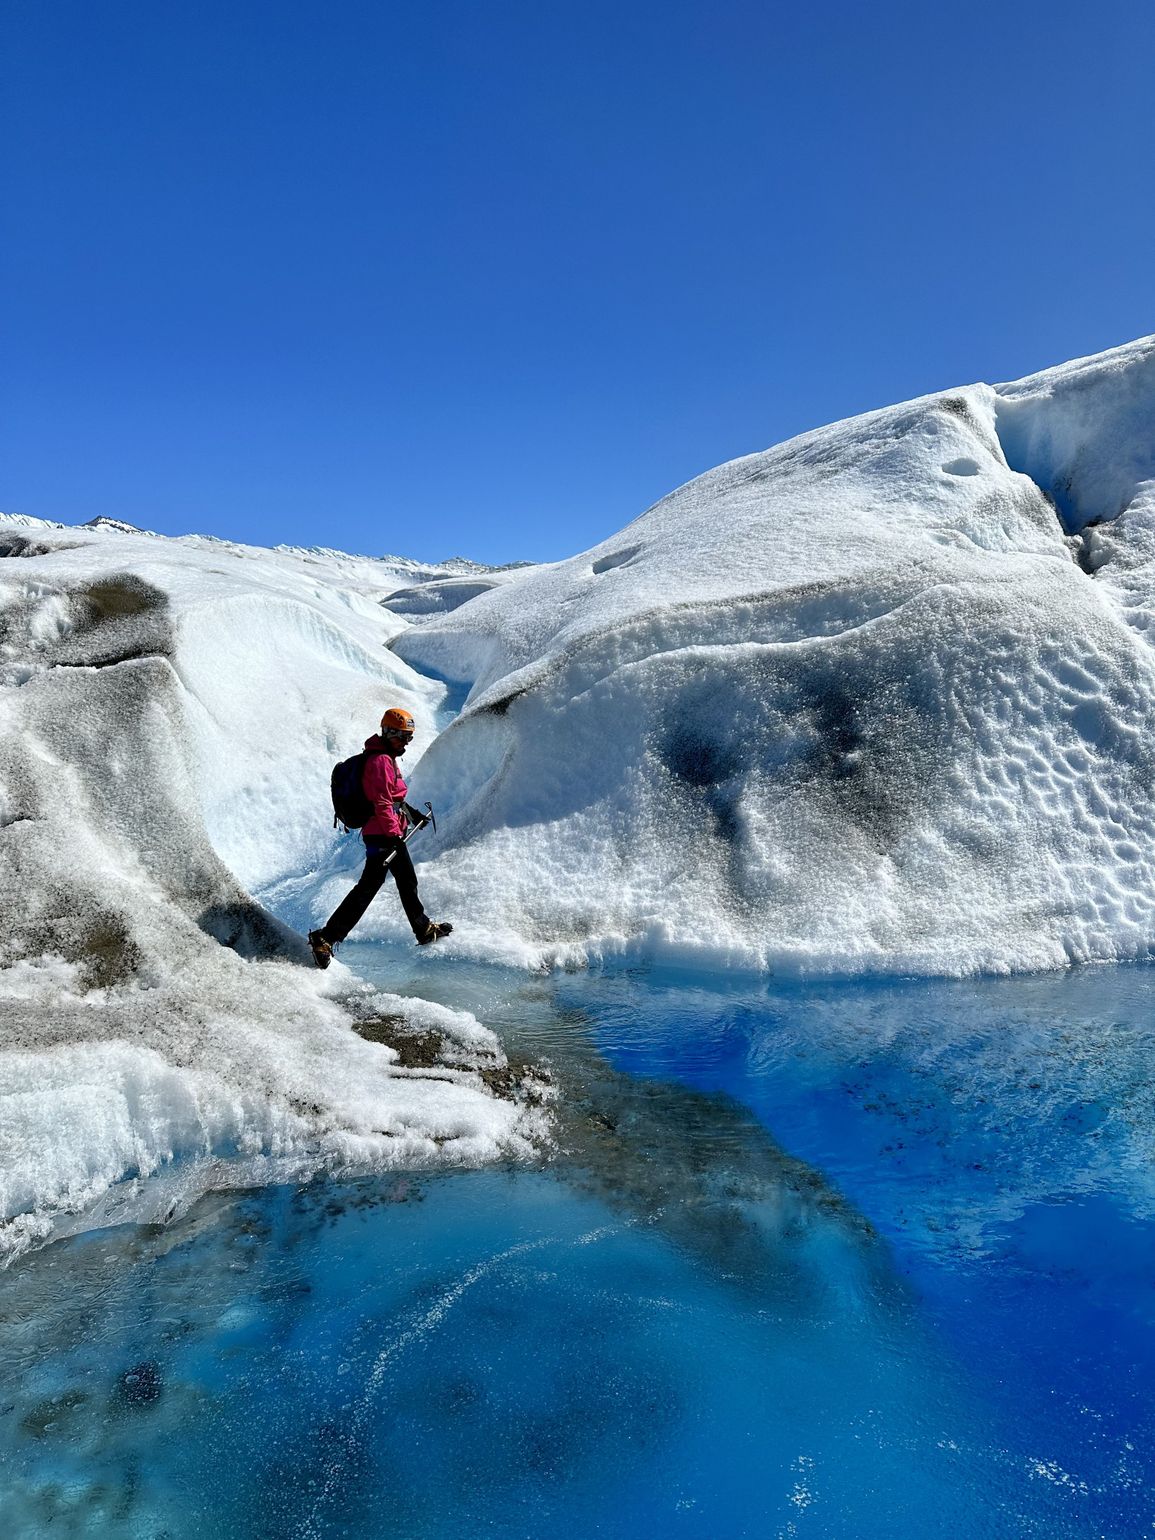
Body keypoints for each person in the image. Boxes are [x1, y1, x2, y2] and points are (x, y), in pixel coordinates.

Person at [308, 708, 452, 967]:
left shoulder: (385, 757)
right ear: (389, 733)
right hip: (383, 835)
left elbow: (392, 798)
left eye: (409, 738)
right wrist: (395, 835)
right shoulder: (380, 761)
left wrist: (410, 812)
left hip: (384, 833)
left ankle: (423, 929)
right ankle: (326, 937)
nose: (406, 743)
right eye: (403, 737)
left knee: (403, 882)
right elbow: (382, 803)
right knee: (371, 887)